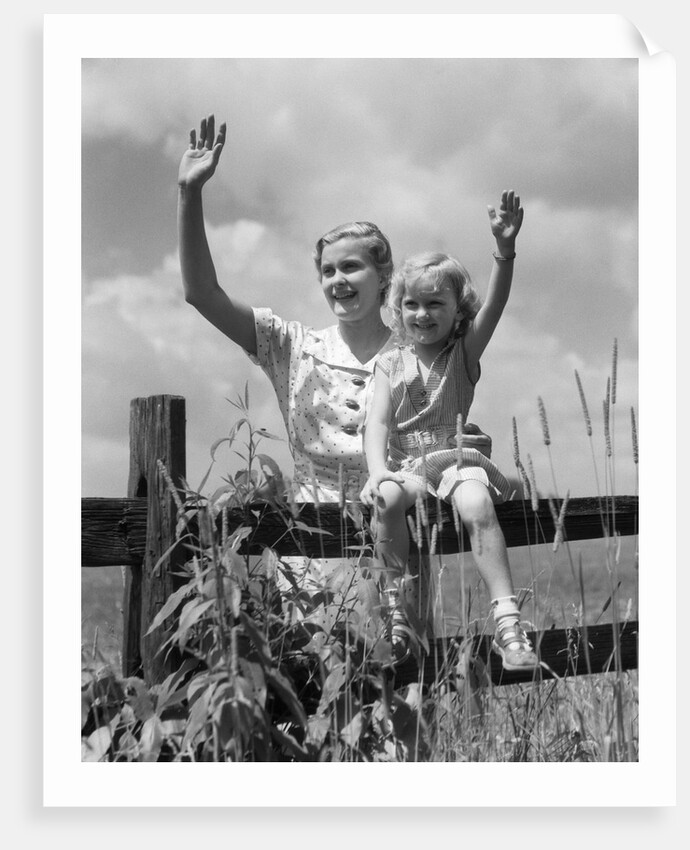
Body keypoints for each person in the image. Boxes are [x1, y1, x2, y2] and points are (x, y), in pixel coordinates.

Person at [177, 115, 492, 505]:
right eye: (328, 271)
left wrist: (459, 448)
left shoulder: (422, 352)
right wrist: (189, 193)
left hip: (394, 543)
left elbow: (441, 431)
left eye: (351, 267)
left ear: (384, 277)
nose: (337, 279)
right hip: (309, 547)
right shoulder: (290, 347)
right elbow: (202, 294)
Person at [360, 190, 539, 671]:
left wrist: (504, 249)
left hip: (458, 459)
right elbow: (376, 422)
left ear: (458, 310)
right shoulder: (389, 363)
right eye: (412, 304)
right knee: (388, 501)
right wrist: (378, 472)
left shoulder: (464, 351)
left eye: (435, 303)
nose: (423, 314)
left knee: (476, 504)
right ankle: (395, 612)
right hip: (408, 464)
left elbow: (497, 304)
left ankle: (507, 622)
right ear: (399, 308)